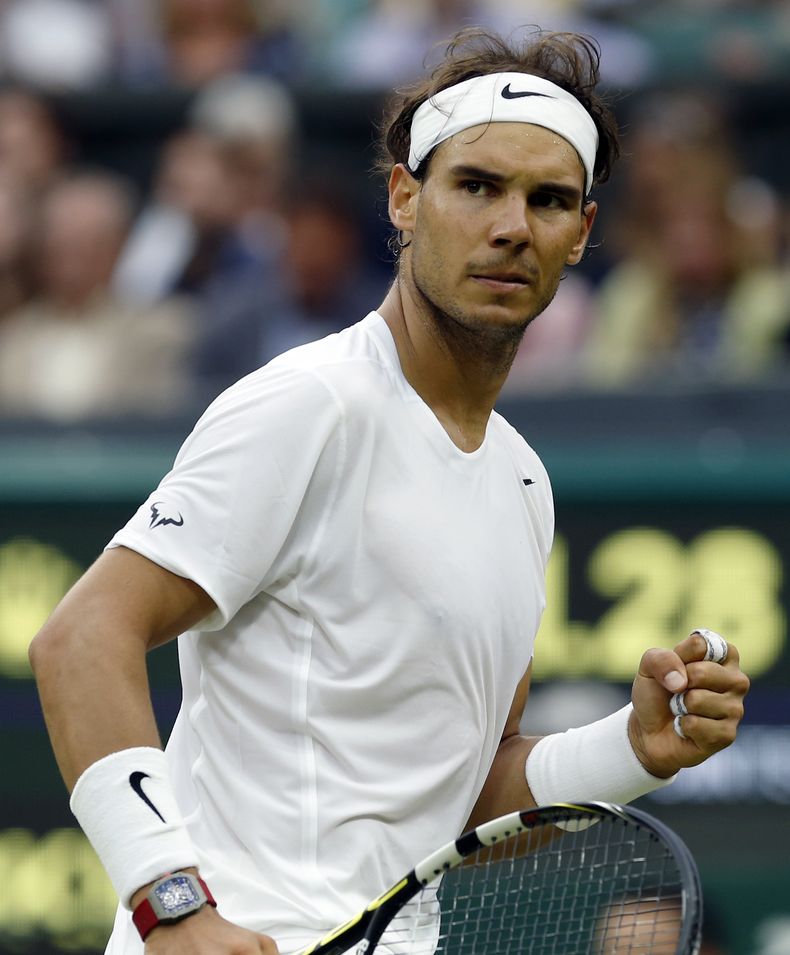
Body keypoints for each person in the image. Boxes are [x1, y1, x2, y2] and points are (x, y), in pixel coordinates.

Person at [29, 26, 750, 955]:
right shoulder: (308, 405)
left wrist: (632, 748)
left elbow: (454, 798)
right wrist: (173, 908)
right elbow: (81, 638)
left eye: (548, 200)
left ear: (582, 235)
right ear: (405, 199)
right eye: (477, 185)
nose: (510, 225)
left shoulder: (524, 481)